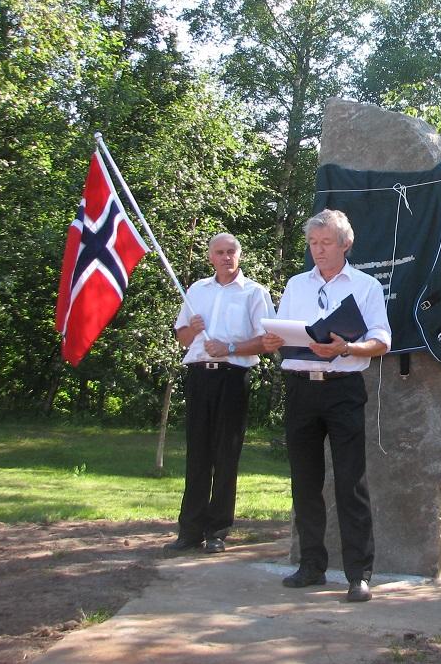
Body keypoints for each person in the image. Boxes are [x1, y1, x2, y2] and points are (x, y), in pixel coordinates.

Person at [262, 209, 391, 603]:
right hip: (301, 388)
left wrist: (347, 348)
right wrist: (271, 343)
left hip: (343, 388)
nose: (318, 250)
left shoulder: (366, 286)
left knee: (351, 482)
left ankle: (358, 574)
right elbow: (282, 333)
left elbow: (382, 340)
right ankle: (311, 565)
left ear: (346, 244)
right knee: (304, 481)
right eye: (313, 243)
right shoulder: (296, 284)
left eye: (326, 243)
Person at [165, 233, 275, 554]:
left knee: (226, 454)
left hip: (232, 376)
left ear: (239, 256)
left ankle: (217, 529)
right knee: (197, 452)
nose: (226, 257)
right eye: (220, 253)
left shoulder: (254, 292)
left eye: (231, 252)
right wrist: (194, 329)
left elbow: (266, 341)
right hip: (199, 376)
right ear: (210, 257)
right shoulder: (197, 290)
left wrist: (229, 348)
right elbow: (183, 339)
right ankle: (190, 530)